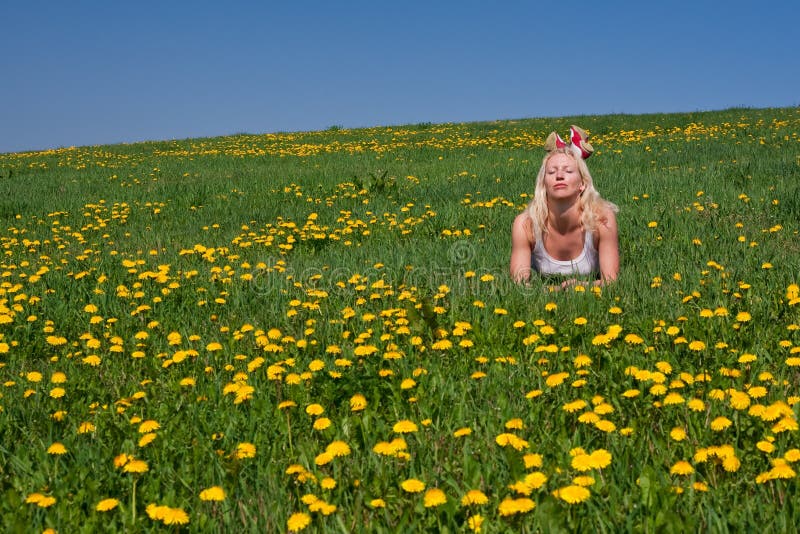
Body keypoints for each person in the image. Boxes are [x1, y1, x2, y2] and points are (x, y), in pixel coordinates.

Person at [510, 126, 619, 289]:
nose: (559, 175)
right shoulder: (525, 225)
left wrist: (581, 286)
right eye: (551, 172)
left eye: (568, 171)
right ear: (543, 184)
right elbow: (519, 284)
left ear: (582, 184)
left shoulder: (602, 220)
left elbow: (610, 281)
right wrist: (553, 290)